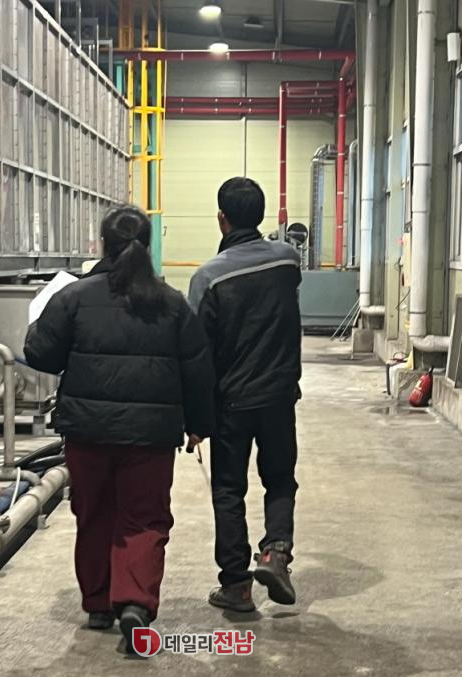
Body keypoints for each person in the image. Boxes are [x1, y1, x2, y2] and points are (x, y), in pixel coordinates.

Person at [25, 205, 215, 653]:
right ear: (148, 246)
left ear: (101, 245)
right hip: (151, 437)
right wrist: (198, 424)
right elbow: (198, 369)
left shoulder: (73, 297)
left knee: (94, 515)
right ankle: (134, 602)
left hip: (87, 433)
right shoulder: (171, 303)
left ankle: (98, 603)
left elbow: (40, 355)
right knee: (144, 519)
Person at [188, 177, 301, 612]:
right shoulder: (288, 260)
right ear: (261, 214)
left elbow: (197, 354)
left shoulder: (208, 278)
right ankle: (276, 553)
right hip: (279, 396)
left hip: (230, 403)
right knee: (280, 479)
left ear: (222, 218)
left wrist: (195, 419)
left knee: (229, 490)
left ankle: (236, 585)